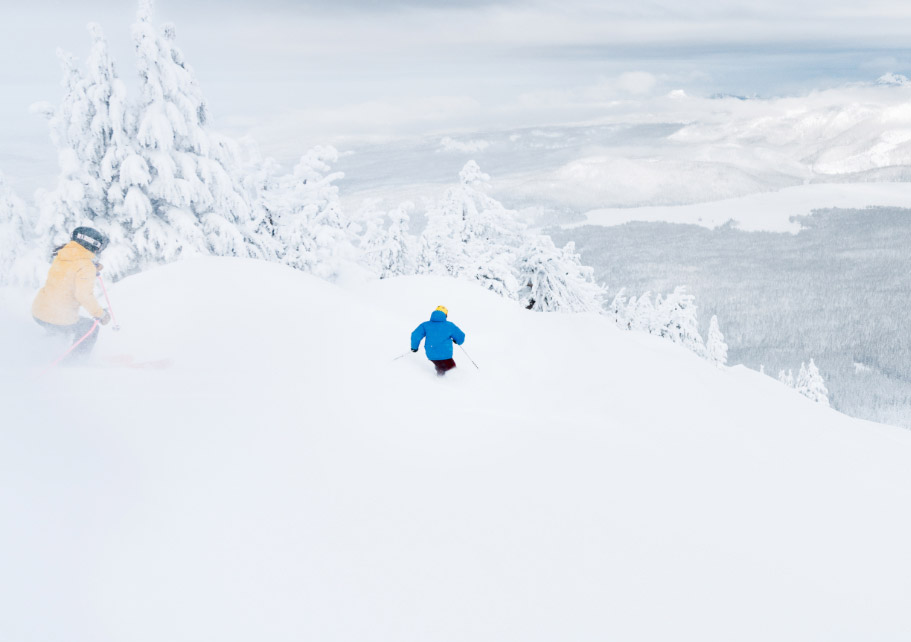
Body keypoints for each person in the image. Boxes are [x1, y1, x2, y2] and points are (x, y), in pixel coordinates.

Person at [32, 227, 111, 362]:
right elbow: (84, 295)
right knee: (89, 329)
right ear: (93, 245)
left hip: (39, 311)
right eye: (99, 247)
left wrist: (91, 267)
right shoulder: (85, 266)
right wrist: (100, 314)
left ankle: (38, 352)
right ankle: (76, 360)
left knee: (61, 330)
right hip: (58, 316)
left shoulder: (63, 254)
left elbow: (71, 268)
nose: (99, 251)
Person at [411, 305, 466, 376]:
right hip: (445, 355)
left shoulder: (425, 325)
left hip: (431, 354)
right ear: (445, 315)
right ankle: (449, 384)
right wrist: (457, 341)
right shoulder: (450, 325)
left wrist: (414, 348)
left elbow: (415, 335)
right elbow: (461, 336)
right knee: (452, 372)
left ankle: (439, 383)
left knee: (440, 369)